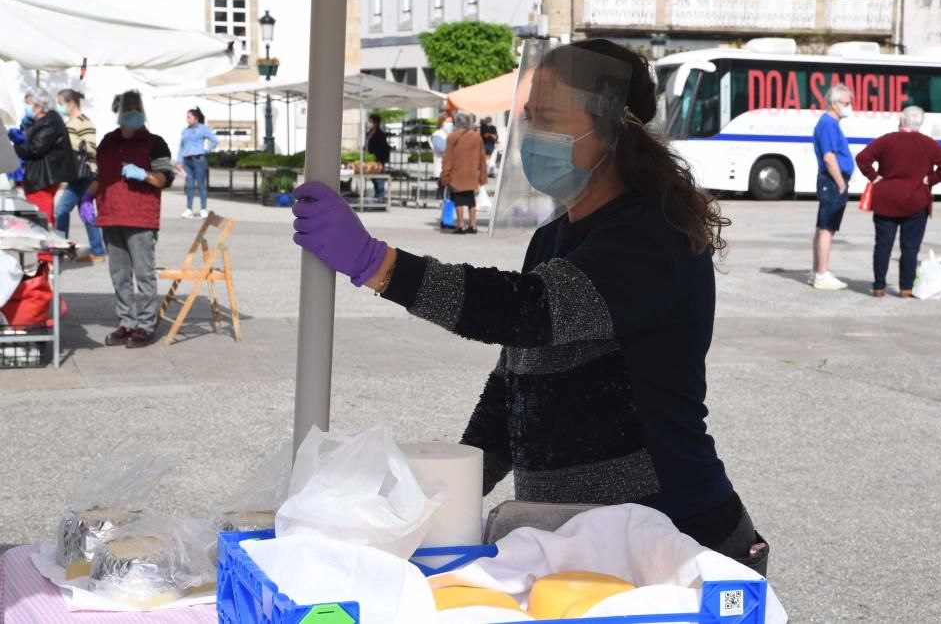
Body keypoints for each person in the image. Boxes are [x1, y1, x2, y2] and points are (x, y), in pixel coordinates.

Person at [292, 39, 770, 574]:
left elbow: (529, 311)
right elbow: (514, 389)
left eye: (548, 117)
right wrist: (452, 492)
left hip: (672, 533)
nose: (531, 133)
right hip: (575, 537)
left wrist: (380, 265)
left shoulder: (651, 235)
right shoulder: (552, 237)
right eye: (529, 117)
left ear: (611, 125)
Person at [81, 90, 174, 348]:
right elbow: (100, 176)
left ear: (143, 111)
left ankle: (145, 324)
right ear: (118, 111)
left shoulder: (155, 143)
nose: (131, 111)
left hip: (140, 218)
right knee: (119, 275)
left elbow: (165, 178)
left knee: (144, 274)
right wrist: (86, 199)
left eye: (136, 107)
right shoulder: (107, 142)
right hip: (110, 216)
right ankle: (126, 322)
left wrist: (143, 174)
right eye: (127, 107)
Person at [855, 106, 941, 297]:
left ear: (901, 120)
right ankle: (906, 288)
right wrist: (930, 180)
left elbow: (862, 158)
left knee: (883, 245)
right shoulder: (927, 143)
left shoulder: (887, 140)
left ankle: (878, 287)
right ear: (920, 123)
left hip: (886, 200)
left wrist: (875, 178)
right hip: (916, 200)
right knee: (909, 248)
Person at [810, 83, 854, 290]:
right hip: (832, 181)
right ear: (835, 103)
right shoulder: (828, 124)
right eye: (846, 102)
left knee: (823, 227)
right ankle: (822, 274)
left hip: (830, 180)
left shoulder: (830, 124)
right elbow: (829, 157)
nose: (849, 106)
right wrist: (840, 183)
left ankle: (817, 270)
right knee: (827, 228)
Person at [53, 89, 106, 263]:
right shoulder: (70, 122)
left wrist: (67, 140)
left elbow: (90, 148)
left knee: (61, 210)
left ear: (71, 103)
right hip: (75, 174)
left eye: (61, 103)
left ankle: (62, 249)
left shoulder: (84, 122)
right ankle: (97, 250)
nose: (59, 106)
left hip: (84, 173)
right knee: (85, 211)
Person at [13, 88, 74, 226]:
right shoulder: (42, 121)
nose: (26, 107)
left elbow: (35, 149)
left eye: (28, 104)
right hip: (39, 176)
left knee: (41, 218)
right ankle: (45, 244)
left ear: (39, 106)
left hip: (41, 178)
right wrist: (25, 130)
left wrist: (17, 144)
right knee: (41, 216)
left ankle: (44, 246)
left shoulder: (49, 121)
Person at [440, 111, 487, 234]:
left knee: (458, 199)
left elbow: (447, 157)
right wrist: (482, 175)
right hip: (472, 173)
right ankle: (473, 224)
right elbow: (482, 157)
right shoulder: (476, 136)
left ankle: (460, 224)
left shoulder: (452, 136)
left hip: (456, 173)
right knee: (471, 199)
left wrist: (445, 174)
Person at [176, 106, 218, 219]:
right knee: (189, 185)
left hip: (199, 160)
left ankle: (203, 209)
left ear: (196, 118)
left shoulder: (203, 129)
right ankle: (189, 208)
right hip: (187, 161)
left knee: (201, 184)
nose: (187, 119)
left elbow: (215, 140)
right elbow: (181, 146)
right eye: (187, 117)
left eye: (189, 117)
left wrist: (206, 150)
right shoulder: (185, 130)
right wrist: (179, 161)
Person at [364, 113, 391, 201]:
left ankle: (380, 197)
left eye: (371, 121)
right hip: (370, 159)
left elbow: (384, 148)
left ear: (375, 122)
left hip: (378, 159)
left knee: (379, 178)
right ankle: (377, 196)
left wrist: (382, 160)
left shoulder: (380, 134)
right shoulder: (369, 133)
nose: (370, 123)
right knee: (373, 178)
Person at [431, 114, 453, 199]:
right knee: (443, 189)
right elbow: (441, 149)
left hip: (451, 168)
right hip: (441, 167)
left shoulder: (451, 134)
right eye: (447, 121)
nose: (450, 124)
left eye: (451, 122)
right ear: (442, 122)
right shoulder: (437, 135)